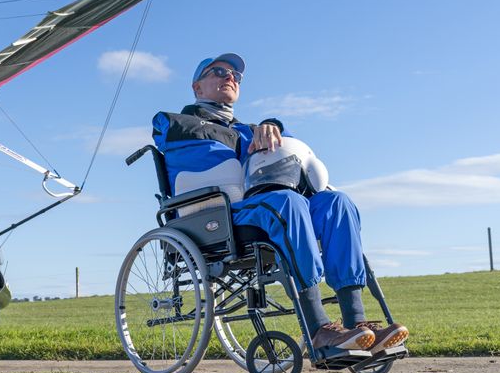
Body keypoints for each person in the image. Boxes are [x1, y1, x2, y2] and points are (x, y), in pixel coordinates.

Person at [152, 52, 409, 354]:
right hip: (221, 212)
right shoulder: (174, 122)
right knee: (288, 203)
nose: (229, 77)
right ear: (197, 87)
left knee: (336, 202)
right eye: (219, 71)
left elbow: (291, 149)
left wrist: (271, 124)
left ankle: (358, 325)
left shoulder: (250, 128)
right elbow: (215, 148)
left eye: (235, 75)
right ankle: (319, 330)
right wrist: (253, 136)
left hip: (264, 205)